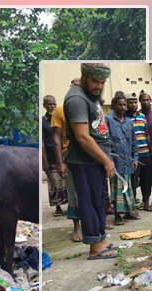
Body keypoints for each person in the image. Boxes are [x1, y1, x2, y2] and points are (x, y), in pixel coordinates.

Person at [64, 63, 118, 259]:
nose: (99, 86)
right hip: (85, 161)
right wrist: (106, 160)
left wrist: (96, 91)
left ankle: (100, 240)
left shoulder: (88, 93)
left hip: (94, 161)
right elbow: (82, 137)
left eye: (103, 82)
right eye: (96, 81)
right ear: (84, 75)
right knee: (89, 203)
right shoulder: (77, 99)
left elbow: (98, 102)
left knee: (99, 201)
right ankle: (94, 248)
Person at [51, 79, 84, 242]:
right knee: (74, 192)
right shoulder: (59, 111)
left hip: (88, 156)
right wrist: (60, 163)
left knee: (90, 191)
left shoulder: (87, 108)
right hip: (70, 157)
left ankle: (92, 223)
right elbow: (56, 139)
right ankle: (77, 227)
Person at [106, 93, 139, 225]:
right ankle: (117, 215)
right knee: (116, 190)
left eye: (124, 105)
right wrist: (109, 161)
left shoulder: (128, 122)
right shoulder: (108, 120)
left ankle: (128, 212)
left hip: (128, 162)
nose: (123, 107)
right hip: (115, 162)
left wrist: (135, 158)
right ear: (114, 105)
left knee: (128, 188)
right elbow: (105, 143)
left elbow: (134, 142)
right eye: (120, 104)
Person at [127, 92, 152, 214]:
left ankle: (147, 204)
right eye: (131, 102)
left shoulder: (142, 117)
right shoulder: (125, 118)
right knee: (133, 182)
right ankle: (133, 207)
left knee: (147, 180)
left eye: (135, 102)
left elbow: (147, 135)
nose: (133, 104)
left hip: (146, 153)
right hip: (134, 156)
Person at [42, 94, 68, 216]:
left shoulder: (61, 118)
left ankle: (70, 205)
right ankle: (58, 207)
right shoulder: (43, 122)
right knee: (54, 183)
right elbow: (42, 144)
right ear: (44, 106)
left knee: (67, 181)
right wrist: (44, 161)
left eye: (54, 104)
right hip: (51, 155)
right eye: (50, 104)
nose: (52, 106)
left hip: (64, 154)